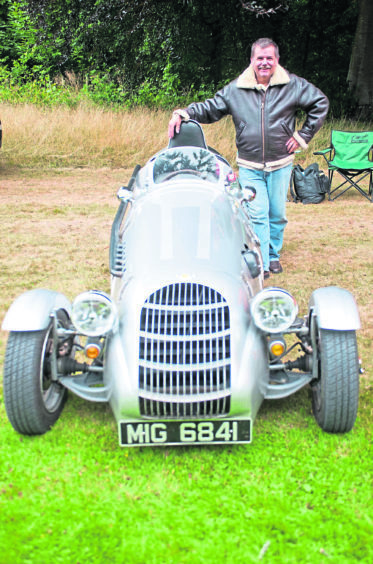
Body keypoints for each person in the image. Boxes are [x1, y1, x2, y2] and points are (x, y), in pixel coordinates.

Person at [168, 37, 329, 279]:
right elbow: (211, 108)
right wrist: (185, 112)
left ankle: (273, 254)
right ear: (252, 60)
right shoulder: (236, 89)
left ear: (276, 60)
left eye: (269, 58)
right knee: (258, 213)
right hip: (250, 164)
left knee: (277, 213)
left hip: (281, 163)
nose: (265, 63)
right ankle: (261, 261)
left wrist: (302, 135)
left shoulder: (293, 85)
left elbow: (320, 103)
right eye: (260, 58)